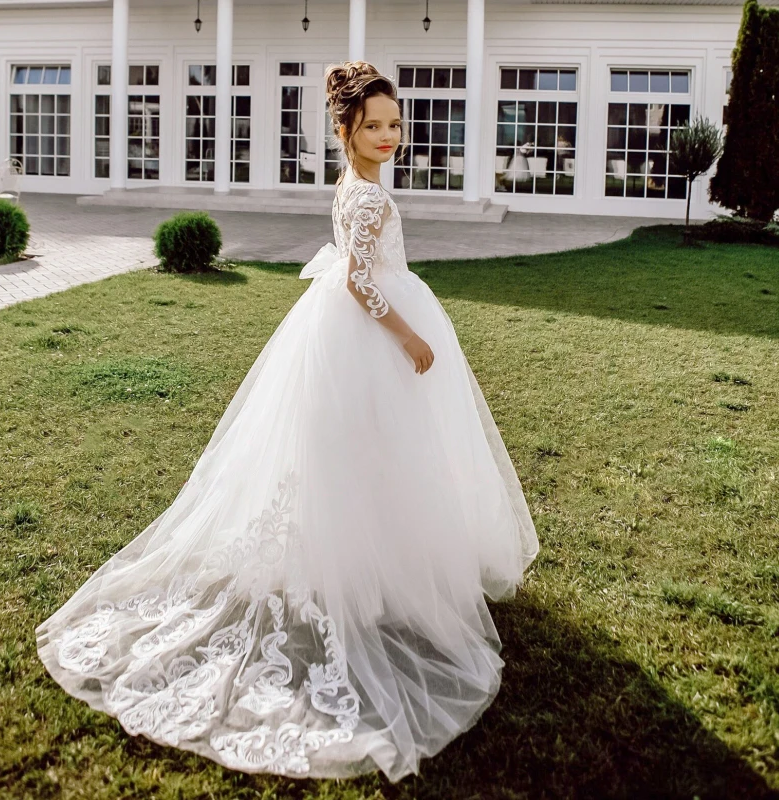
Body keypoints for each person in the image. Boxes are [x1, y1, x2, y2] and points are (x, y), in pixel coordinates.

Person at [35, 60, 539, 783]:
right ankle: (369, 579)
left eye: (395, 124)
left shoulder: (355, 186)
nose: (389, 136)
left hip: (340, 327)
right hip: (372, 328)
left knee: (358, 455)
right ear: (348, 130)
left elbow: (356, 267)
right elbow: (363, 280)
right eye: (374, 127)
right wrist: (410, 338)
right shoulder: (365, 199)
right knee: (380, 452)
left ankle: (368, 570)